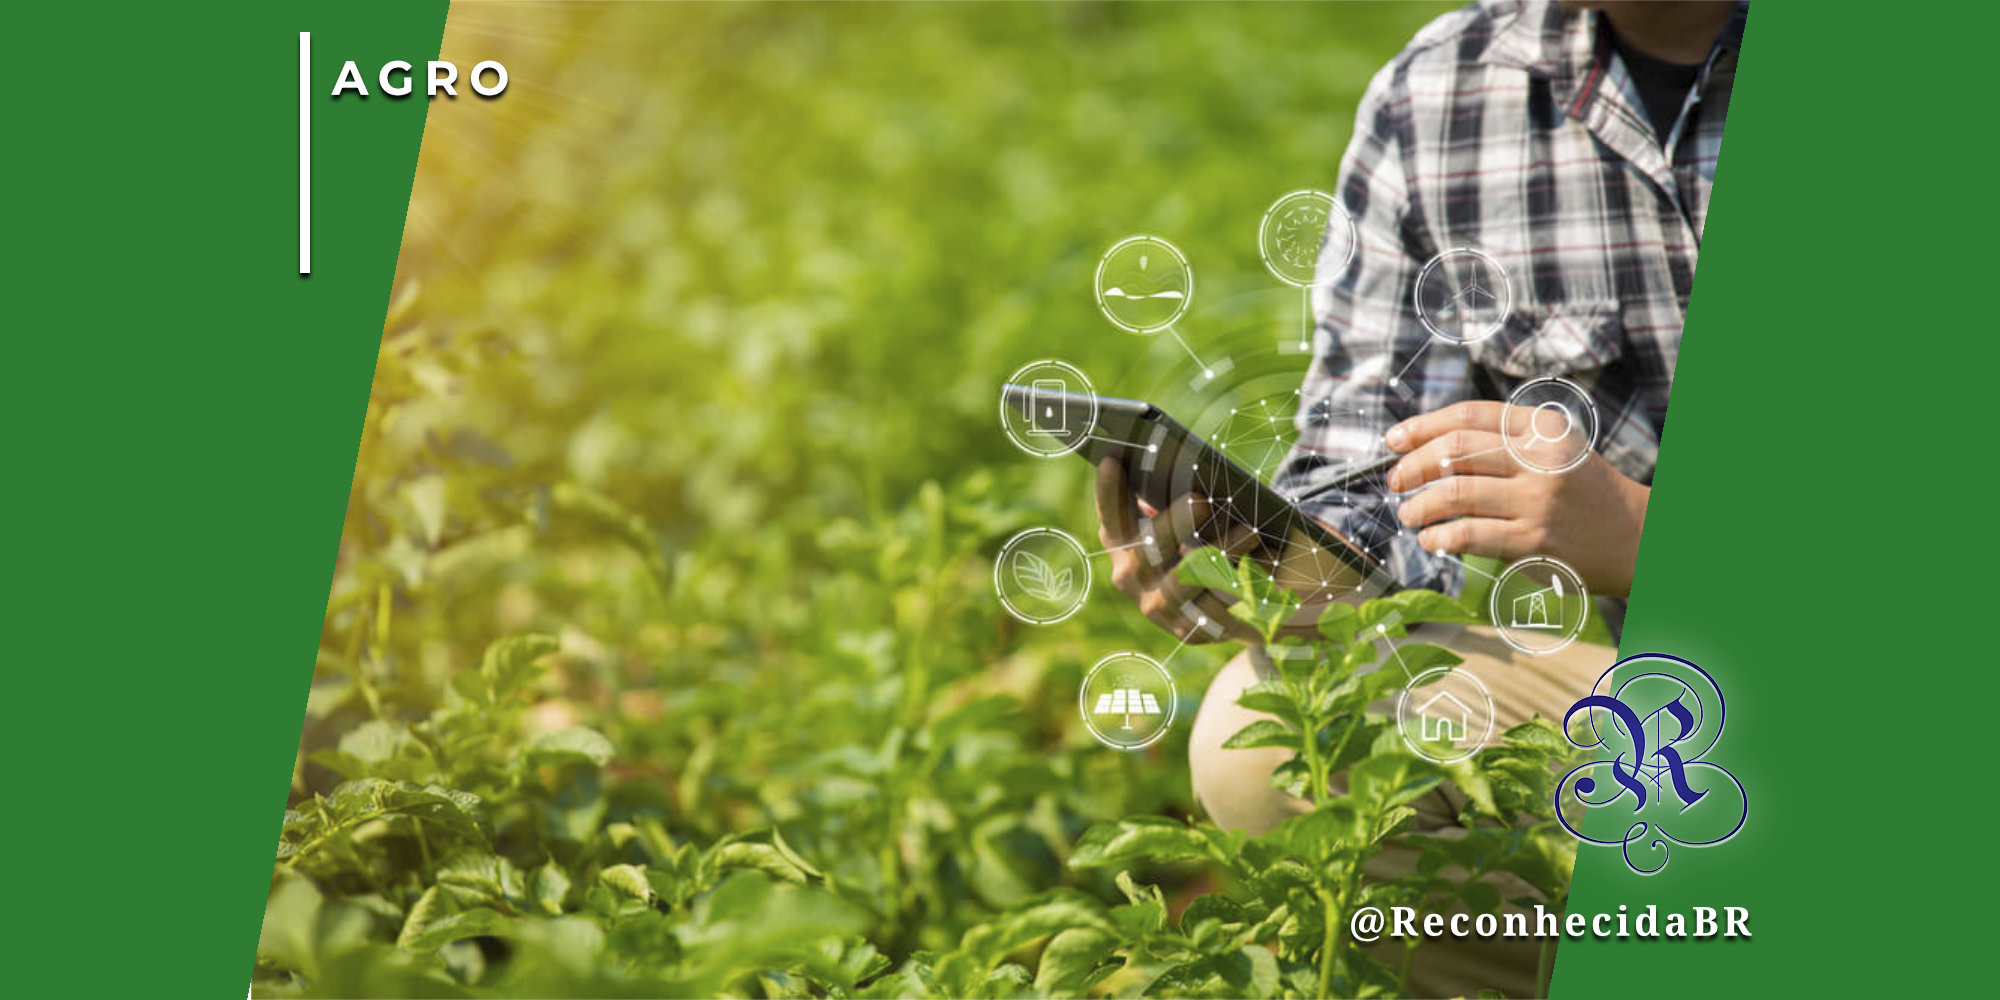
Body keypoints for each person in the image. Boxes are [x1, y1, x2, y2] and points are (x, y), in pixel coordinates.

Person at [1093, 1, 1745, 994]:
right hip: (1673, 704)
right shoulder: (1442, 94)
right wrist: (1288, 573)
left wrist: (1641, 533)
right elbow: (1369, 478)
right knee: (1270, 740)